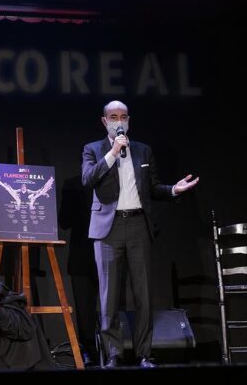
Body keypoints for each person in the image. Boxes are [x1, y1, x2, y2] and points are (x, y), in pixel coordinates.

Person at [81, 100, 199, 368]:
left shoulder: (143, 151)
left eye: (123, 116)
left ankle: (145, 354)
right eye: (113, 117)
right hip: (107, 229)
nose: (119, 121)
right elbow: (88, 180)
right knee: (108, 296)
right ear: (104, 121)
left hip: (138, 226)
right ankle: (113, 354)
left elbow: (153, 188)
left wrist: (172, 190)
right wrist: (112, 152)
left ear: (129, 120)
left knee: (143, 294)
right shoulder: (92, 149)